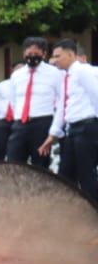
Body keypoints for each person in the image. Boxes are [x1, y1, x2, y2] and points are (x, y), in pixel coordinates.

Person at [41, 38, 98, 200]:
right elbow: (62, 107)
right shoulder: (66, 77)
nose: (54, 61)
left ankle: (92, 213)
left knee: (86, 173)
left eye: (58, 56)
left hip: (86, 127)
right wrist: (52, 135)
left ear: (71, 54)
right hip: (72, 129)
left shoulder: (82, 72)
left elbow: (96, 95)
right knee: (66, 173)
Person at [5, 37, 57, 170]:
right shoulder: (17, 75)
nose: (32, 57)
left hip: (42, 123)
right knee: (14, 163)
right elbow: (13, 100)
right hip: (20, 124)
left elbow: (60, 100)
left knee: (40, 166)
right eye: (29, 54)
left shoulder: (54, 73)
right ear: (24, 54)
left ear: (44, 54)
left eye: (36, 54)